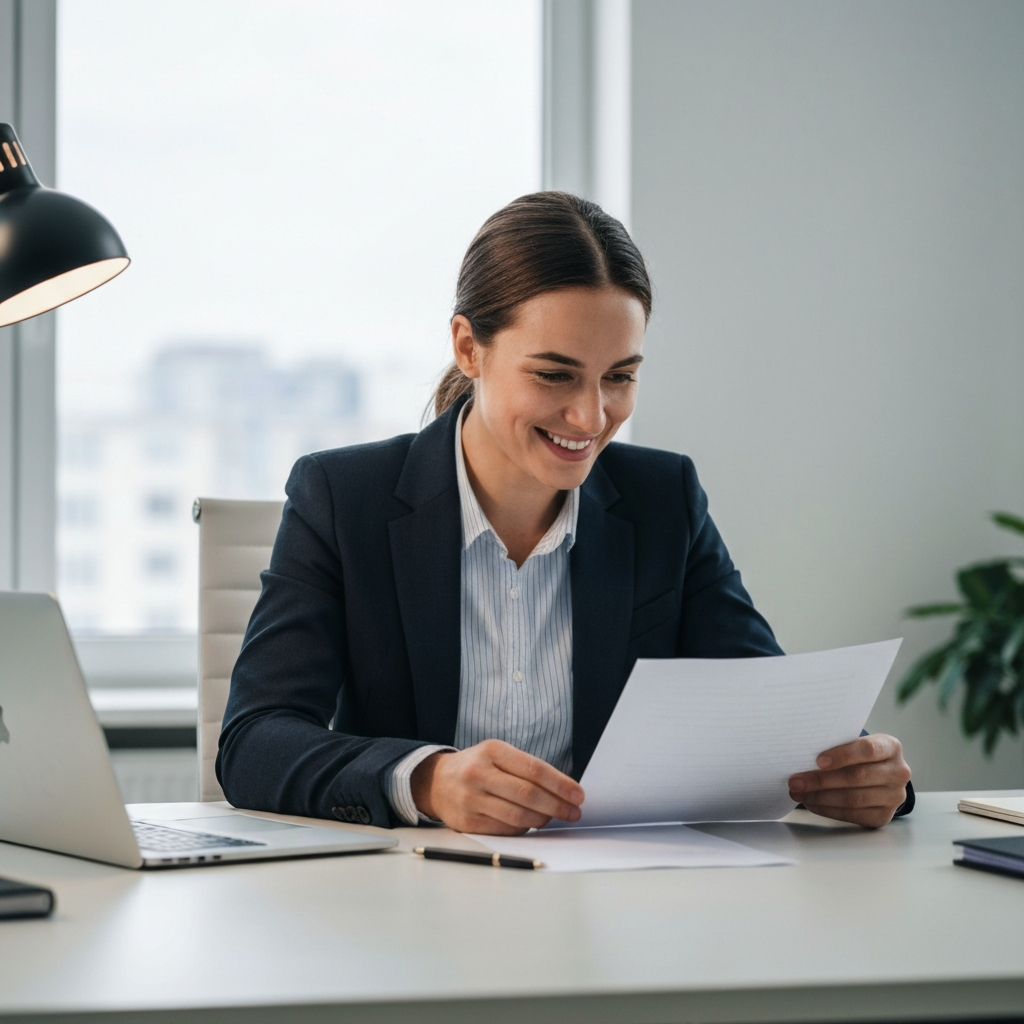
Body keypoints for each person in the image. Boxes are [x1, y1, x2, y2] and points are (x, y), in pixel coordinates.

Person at [218, 192, 912, 834]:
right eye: (554, 375)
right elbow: (255, 741)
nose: (591, 415)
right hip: (410, 903)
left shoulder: (662, 499)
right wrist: (426, 779)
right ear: (469, 347)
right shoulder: (343, 497)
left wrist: (867, 775)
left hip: (611, 902)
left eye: (620, 376)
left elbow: (768, 714)